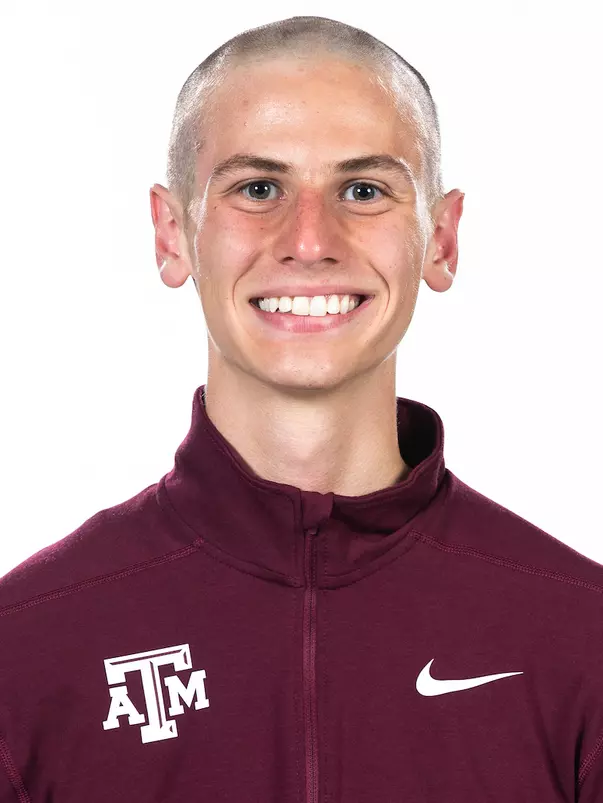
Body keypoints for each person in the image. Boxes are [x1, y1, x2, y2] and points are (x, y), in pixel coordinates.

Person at [0, 14, 602, 803]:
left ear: (440, 238)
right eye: (258, 188)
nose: (310, 240)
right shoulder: (26, 646)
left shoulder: (580, 636)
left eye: (363, 190)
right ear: (173, 234)